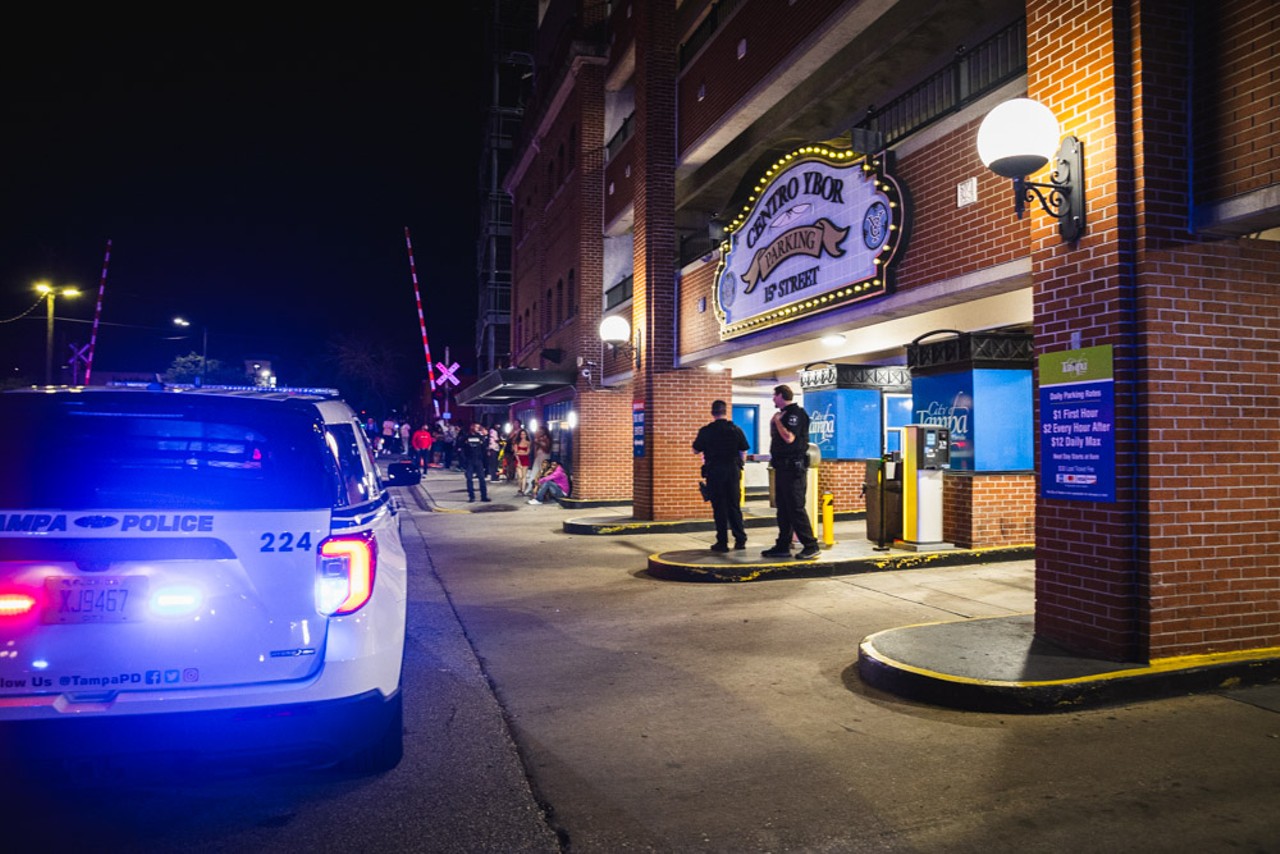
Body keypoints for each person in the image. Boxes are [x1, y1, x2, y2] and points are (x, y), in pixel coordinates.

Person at [762, 384, 820, 560]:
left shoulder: (795, 414)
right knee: (783, 509)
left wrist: (778, 421)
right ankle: (782, 545)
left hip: (793, 469)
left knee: (795, 508)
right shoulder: (785, 414)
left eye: (774, 395)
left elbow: (789, 438)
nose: (773, 399)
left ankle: (811, 545)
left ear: (781, 395)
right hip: (782, 468)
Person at [692, 399, 750, 553]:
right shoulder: (735, 429)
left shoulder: (706, 431)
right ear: (725, 412)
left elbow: (696, 450)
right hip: (732, 471)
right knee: (734, 506)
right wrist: (740, 466)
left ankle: (722, 542)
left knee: (719, 508)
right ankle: (740, 540)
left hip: (715, 471)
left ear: (712, 413)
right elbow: (743, 450)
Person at [459, 421, 490, 503]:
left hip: (478, 460)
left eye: (478, 427)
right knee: (469, 479)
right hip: (469, 460)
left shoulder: (480, 437)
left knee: (482, 479)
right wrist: (463, 459)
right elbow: (460, 448)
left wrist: (485, 436)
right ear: (472, 427)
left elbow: (484, 448)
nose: (478, 429)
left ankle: (484, 496)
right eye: (476, 427)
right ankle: (471, 496)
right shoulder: (466, 437)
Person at [529, 426, 552, 494]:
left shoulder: (547, 439)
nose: (539, 432)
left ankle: (542, 489)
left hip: (544, 456)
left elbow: (547, 450)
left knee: (543, 473)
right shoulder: (537, 438)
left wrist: (539, 443)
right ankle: (532, 487)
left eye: (541, 431)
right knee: (535, 472)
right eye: (539, 431)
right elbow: (535, 449)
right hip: (538, 457)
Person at [512, 427, 532, 495]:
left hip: (525, 459)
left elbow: (527, 453)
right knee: (520, 476)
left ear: (526, 435)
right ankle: (520, 488)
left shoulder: (528, 442)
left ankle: (523, 490)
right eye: (521, 434)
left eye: (524, 434)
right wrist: (519, 459)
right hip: (518, 460)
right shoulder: (516, 442)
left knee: (524, 476)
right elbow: (515, 453)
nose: (523, 436)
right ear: (519, 435)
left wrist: (519, 452)